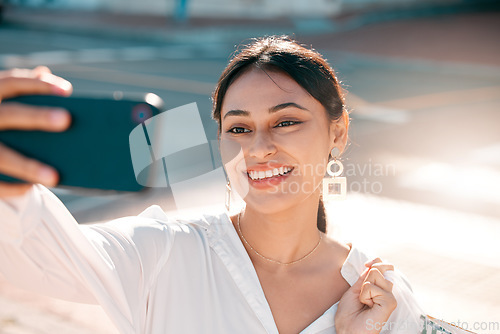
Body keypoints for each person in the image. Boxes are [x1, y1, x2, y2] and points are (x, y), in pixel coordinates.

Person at [0, 37, 424, 334]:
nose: (259, 149)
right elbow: (25, 252)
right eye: (238, 128)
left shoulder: (380, 297)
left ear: (338, 133)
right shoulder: (162, 253)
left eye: (287, 122)